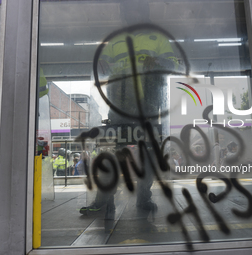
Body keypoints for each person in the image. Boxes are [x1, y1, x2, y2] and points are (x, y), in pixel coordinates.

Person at [79, 0, 178, 216]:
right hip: (119, 107)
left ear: (145, 12)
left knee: (149, 155)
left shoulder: (159, 38)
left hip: (149, 107)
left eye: (137, 9)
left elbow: (174, 65)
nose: (132, 14)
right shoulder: (116, 41)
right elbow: (102, 67)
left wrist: (159, 62)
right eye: (128, 10)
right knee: (113, 155)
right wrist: (101, 64)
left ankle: (143, 199)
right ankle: (104, 200)